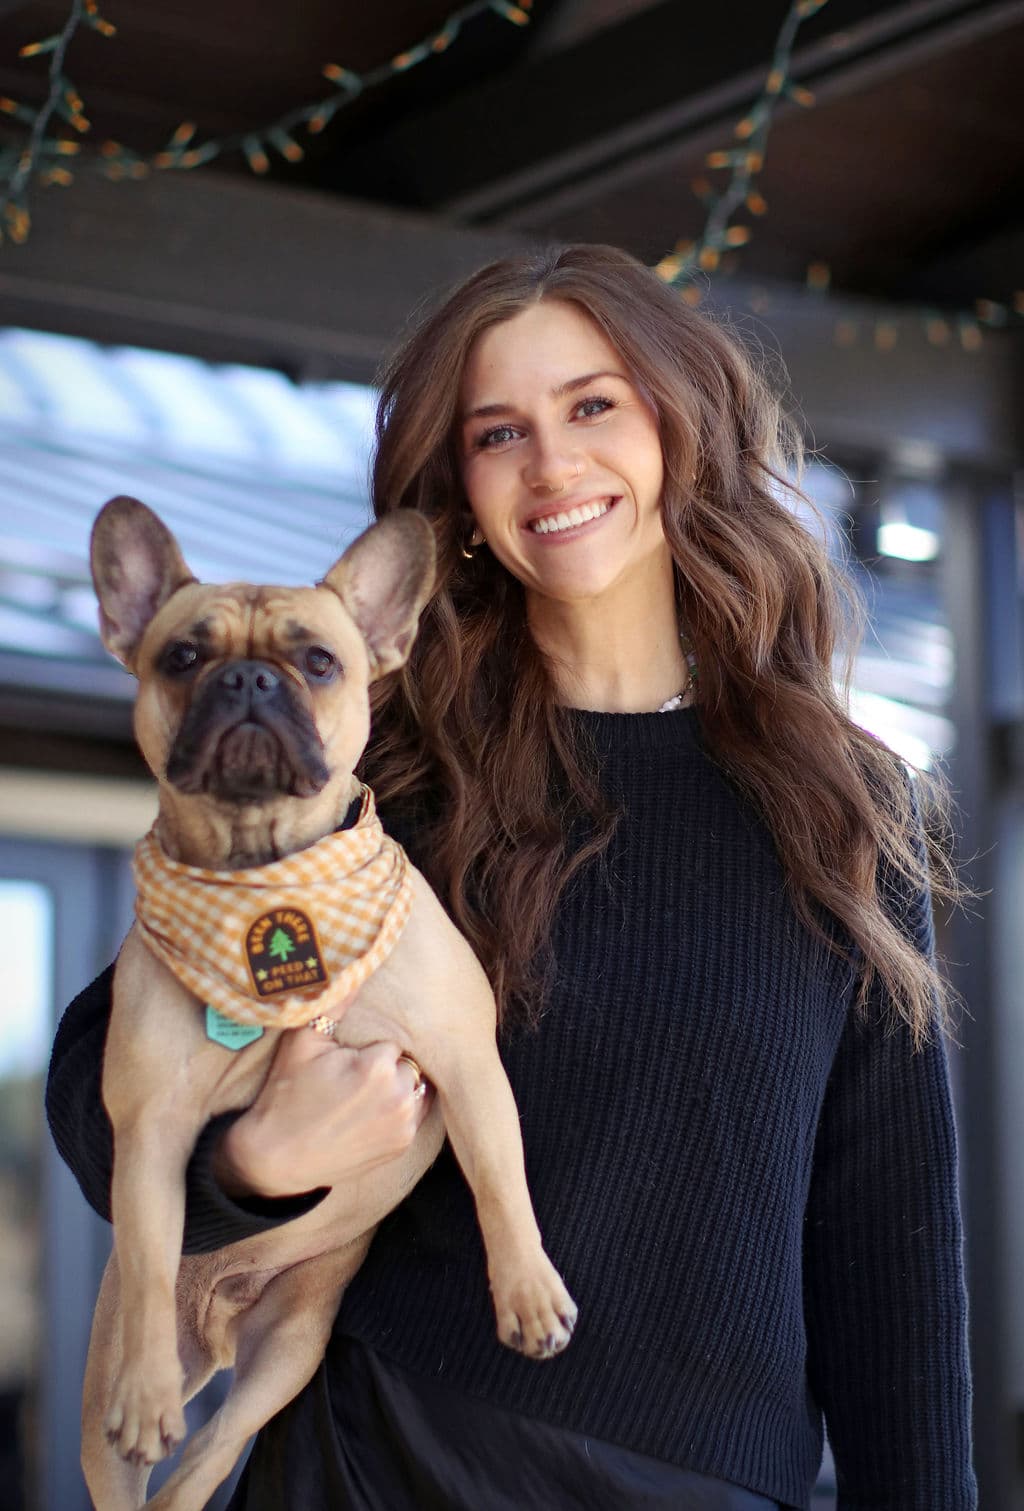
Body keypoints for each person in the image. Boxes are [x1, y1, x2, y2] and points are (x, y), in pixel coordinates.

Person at [47, 244, 976, 1511]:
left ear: (681, 424)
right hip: (377, 1455)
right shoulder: (385, 781)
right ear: (460, 488)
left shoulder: (843, 804)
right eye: (498, 432)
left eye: (594, 404)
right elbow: (98, 1075)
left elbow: (890, 1246)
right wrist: (255, 1158)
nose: (552, 464)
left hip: (709, 1479)